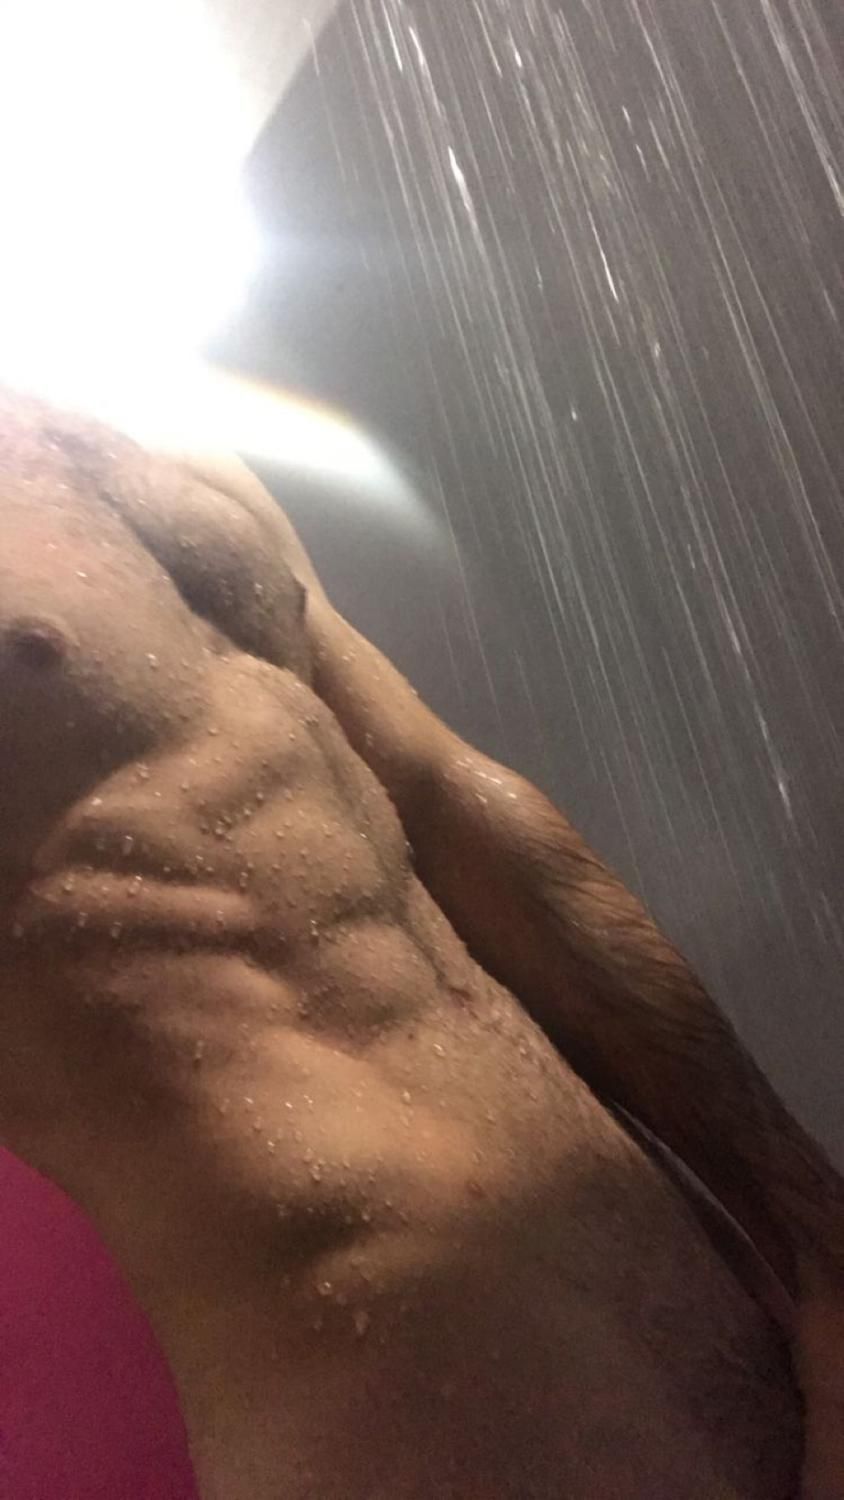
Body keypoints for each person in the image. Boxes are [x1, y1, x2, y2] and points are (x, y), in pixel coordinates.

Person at [0, 386, 841, 1500]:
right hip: (406, 1409)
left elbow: (451, 805)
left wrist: (815, 1237)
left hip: (718, 1314)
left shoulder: (125, 428)